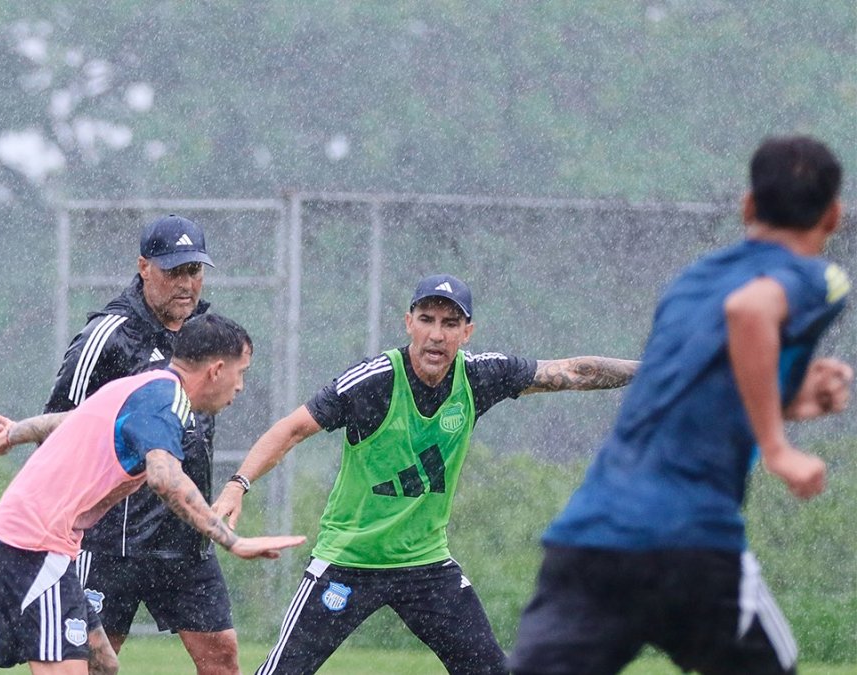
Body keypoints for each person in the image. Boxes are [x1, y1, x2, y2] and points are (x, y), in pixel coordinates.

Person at [509, 135, 851, 675]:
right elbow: (750, 312)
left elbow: (690, 387)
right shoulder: (820, 277)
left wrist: (790, 397)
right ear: (833, 215)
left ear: (747, 206)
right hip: (691, 543)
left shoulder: (691, 283)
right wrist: (777, 447)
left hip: (590, 539)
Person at [212, 274, 640, 674]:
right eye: (427, 319)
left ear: (466, 332)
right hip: (348, 561)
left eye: (450, 323)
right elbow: (291, 429)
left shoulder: (478, 376)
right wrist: (237, 485)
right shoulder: (373, 381)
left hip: (425, 566)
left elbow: (573, 372)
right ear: (409, 323)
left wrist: (660, 371)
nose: (437, 334)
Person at [0, 314, 305, 674]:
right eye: (240, 372)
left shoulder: (144, 386)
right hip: (31, 546)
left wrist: (14, 434)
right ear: (216, 369)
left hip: (39, 546)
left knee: (103, 666)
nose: (241, 386)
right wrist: (232, 541)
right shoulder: (166, 402)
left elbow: (69, 420)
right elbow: (165, 478)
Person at [41, 214, 243, 674]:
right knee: (90, 665)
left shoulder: (207, 334)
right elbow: (57, 426)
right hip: (111, 540)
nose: (186, 284)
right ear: (144, 267)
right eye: (174, 271)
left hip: (184, 540)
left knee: (222, 657)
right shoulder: (108, 336)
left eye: (194, 271)